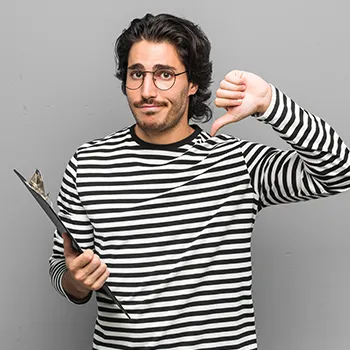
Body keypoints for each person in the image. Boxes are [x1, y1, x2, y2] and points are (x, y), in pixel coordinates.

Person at [49, 13, 350, 350]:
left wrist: (270, 103)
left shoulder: (237, 163)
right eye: (137, 74)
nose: (147, 91)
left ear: (192, 83)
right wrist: (76, 281)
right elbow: (62, 265)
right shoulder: (88, 162)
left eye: (164, 75)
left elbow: (339, 169)